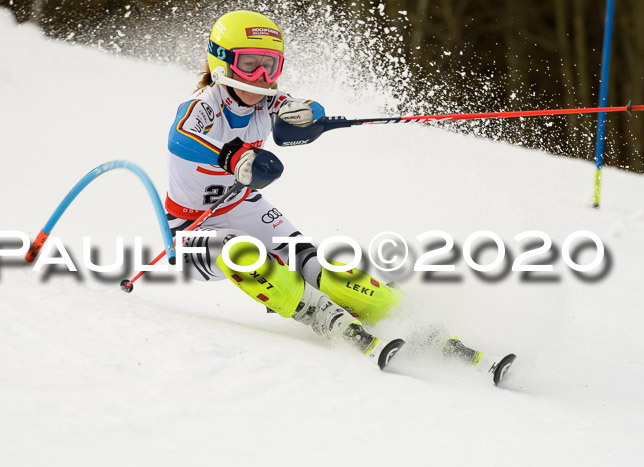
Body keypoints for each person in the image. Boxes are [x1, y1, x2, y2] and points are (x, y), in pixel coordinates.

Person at [165, 10, 515, 380]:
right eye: (250, 65)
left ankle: (419, 324)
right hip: (191, 231)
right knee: (244, 255)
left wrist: (311, 114)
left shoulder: (266, 100)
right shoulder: (205, 105)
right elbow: (181, 137)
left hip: (241, 205)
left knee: (321, 269)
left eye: (271, 65)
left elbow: (297, 114)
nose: (262, 77)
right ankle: (323, 317)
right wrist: (231, 155)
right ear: (221, 61)